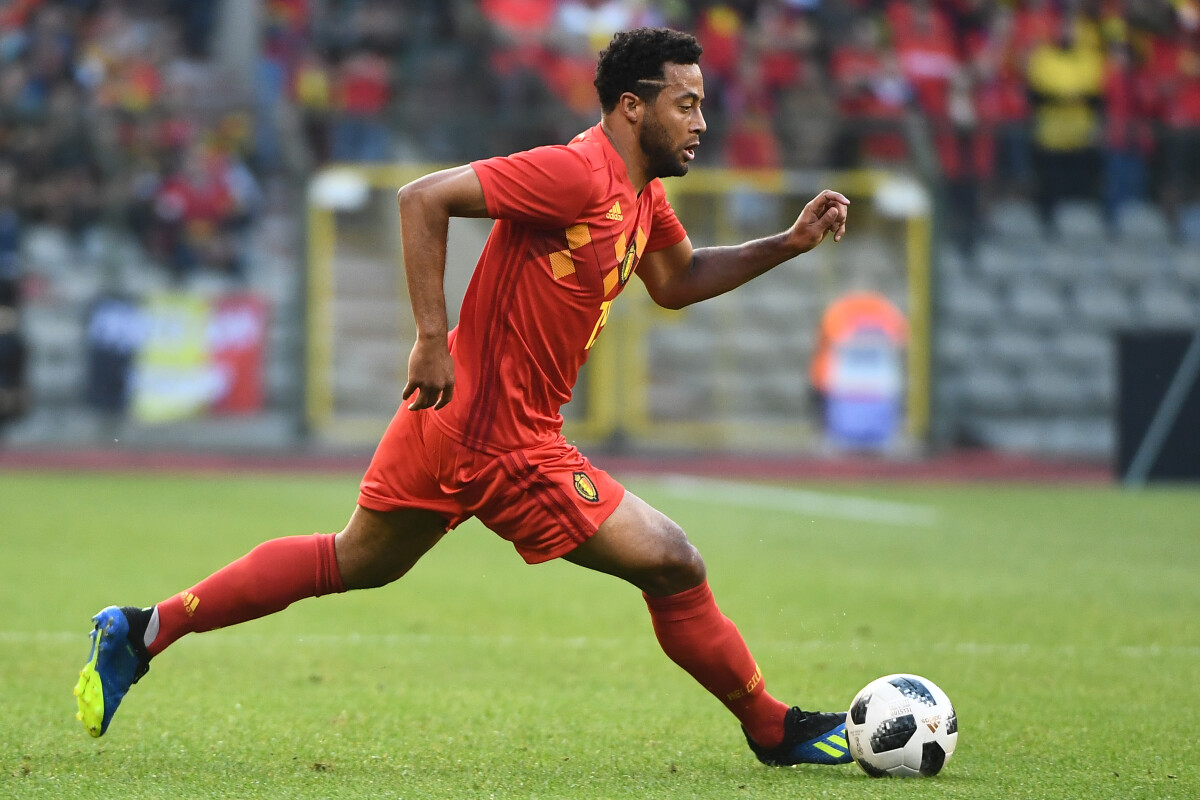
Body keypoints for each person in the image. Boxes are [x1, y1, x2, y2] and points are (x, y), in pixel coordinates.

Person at [75, 27, 853, 768]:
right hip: (501, 437)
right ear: (631, 106)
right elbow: (422, 198)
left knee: (354, 559)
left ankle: (143, 631)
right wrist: (428, 337)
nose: (701, 122)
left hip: (451, 420)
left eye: (702, 105)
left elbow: (677, 281)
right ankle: (771, 727)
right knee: (674, 562)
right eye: (685, 104)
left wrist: (788, 243)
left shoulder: (641, 195)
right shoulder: (575, 174)